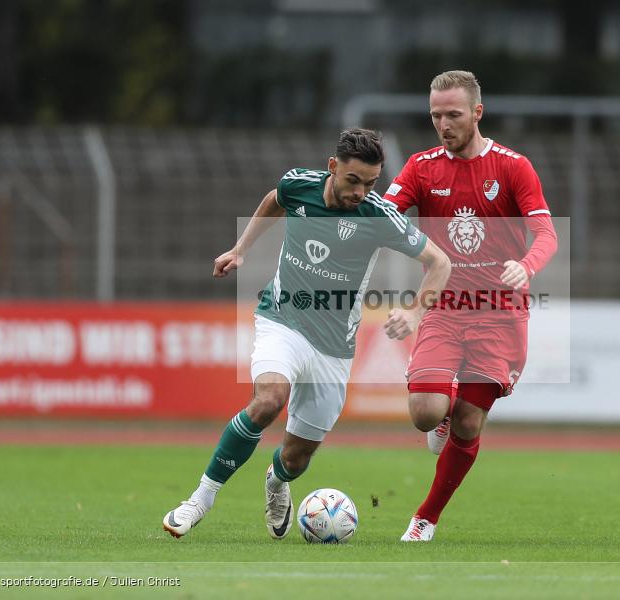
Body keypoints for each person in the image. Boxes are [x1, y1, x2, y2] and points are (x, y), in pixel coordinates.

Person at [163, 128, 450, 540]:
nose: (360, 192)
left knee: (295, 459)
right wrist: (241, 248)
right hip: (283, 320)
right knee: (268, 400)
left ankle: (277, 482)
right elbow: (274, 200)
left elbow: (440, 263)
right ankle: (199, 500)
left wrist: (416, 311)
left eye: (371, 183)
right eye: (353, 181)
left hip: (333, 349)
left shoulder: (377, 215)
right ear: (332, 167)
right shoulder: (300, 184)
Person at [382, 71, 558, 542]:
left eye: (453, 114)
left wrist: (527, 265)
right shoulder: (420, 167)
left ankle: (425, 518)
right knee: (425, 412)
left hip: (500, 314)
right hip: (443, 304)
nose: (443, 123)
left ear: (477, 112)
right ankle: (440, 409)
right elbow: (386, 213)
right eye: (436, 115)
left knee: (467, 419)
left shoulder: (513, 166)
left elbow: (545, 232)